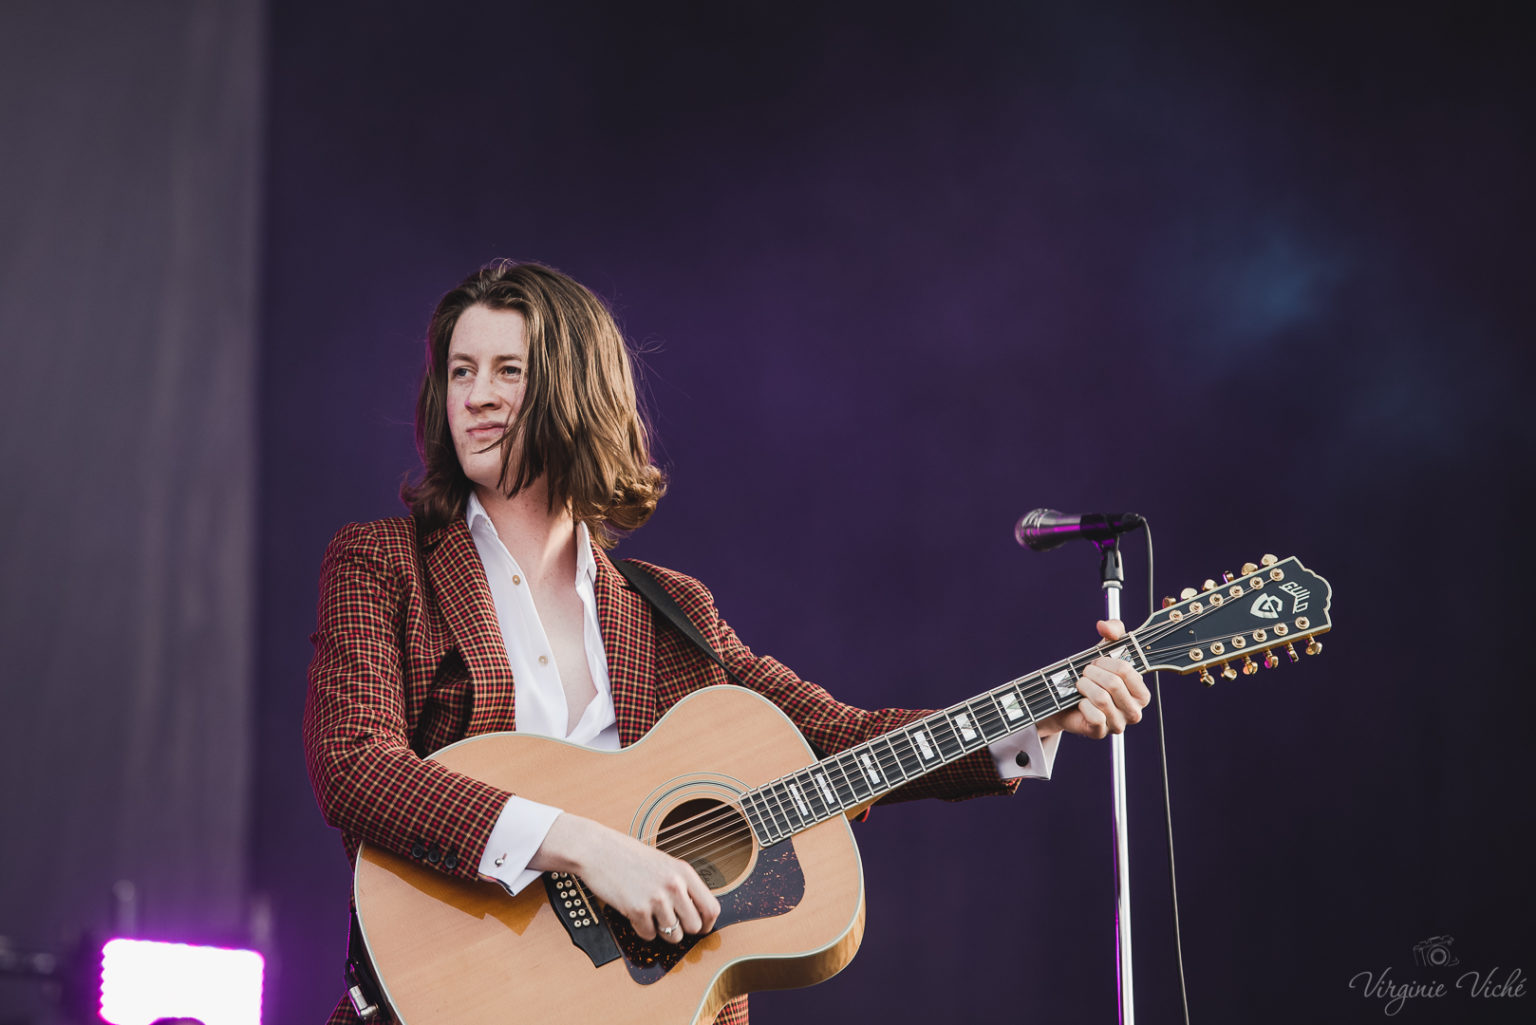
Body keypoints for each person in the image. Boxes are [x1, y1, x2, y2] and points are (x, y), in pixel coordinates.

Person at [302, 260, 1150, 1025]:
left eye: (508, 370)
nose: (475, 395)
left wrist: (1044, 716)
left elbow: (835, 739)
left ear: (576, 389)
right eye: (460, 370)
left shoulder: (674, 609)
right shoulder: (386, 562)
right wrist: (592, 848)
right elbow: (354, 760)